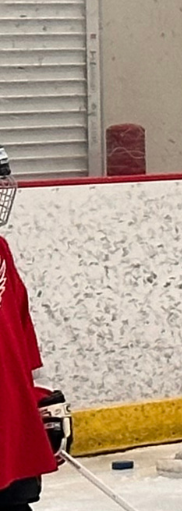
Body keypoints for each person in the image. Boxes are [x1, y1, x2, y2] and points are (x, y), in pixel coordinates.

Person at [0, 147, 65, 511]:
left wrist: (33, 401)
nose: (3, 189)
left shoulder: (1, 250)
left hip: (9, 429)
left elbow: (18, 345)